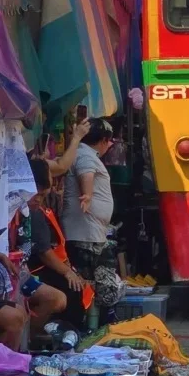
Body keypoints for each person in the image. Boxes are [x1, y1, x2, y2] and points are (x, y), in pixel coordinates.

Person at [25, 157, 92, 332]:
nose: (39, 199)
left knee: (77, 284)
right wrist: (67, 272)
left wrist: (68, 269)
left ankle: (71, 334)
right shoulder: (29, 212)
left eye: (42, 195)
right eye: (38, 194)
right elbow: (43, 252)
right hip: (32, 269)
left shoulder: (39, 211)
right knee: (70, 287)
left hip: (39, 266)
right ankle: (48, 334)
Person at [61, 117, 116, 282]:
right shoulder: (85, 154)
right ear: (104, 140)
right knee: (88, 285)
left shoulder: (86, 153)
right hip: (84, 235)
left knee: (99, 286)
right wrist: (88, 194)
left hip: (91, 233)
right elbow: (86, 173)